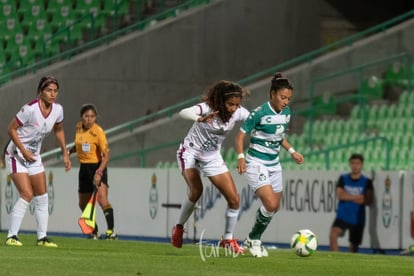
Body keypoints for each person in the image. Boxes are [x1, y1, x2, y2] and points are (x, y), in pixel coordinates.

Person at [171, 80, 250, 254]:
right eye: (230, 104)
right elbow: (184, 112)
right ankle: (178, 227)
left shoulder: (238, 113)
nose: (233, 108)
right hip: (190, 152)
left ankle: (228, 239)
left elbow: (253, 119)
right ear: (221, 101)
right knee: (196, 190)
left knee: (234, 199)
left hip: (212, 157)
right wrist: (198, 118)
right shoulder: (207, 108)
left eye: (237, 105)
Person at [235, 72, 304, 257]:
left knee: (275, 207)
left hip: (274, 164)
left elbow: (279, 137)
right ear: (272, 94)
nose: (285, 101)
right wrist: (241, 157)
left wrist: (292, 151)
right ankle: (255, 240)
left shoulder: (287, 113)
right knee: (271, 204)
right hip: (256, 162)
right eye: (282, 97)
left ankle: (251, 238)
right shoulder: (258, 113)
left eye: (288, 98)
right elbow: (240, 135)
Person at [4, 76, 71, 247]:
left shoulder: (58, 110)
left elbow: (59, 130)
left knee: (42, 196)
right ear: (41, 91)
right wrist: (24, 150)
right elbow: (11, 129)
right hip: (15, 154)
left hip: (33, 156)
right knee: (27, 194)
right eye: (49, 90)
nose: (52, 94)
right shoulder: (30, 109)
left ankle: (42, 238)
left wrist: (65, 153)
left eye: (55, 91)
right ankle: (12, 236)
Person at [68, 104, 117, 240]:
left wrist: (99, 172)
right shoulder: (79, 127)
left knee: (102, 199)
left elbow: (106, 155)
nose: (89, 119)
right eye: (86, 116)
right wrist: (69, 151)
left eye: (92, 117)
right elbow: (78, 145)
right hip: (84, 168)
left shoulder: (98, 132)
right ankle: (94, 231)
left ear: (96, 117)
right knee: (83, 204)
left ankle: (111, 232)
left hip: (97, 167)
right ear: (81, 117)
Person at [329, 153, 373, 253]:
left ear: (362, 165)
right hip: (343, 215)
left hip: (357, 217)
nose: (355, 166)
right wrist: (357, 197)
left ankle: (349, 265)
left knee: (354, 246)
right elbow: (340, 195)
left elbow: (367, 200)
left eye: (357, 163)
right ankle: (335, 260)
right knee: (333, 234)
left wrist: (347, 196)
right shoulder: (343, 178)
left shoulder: (367, 181)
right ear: (350, 164)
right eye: (353, 163)